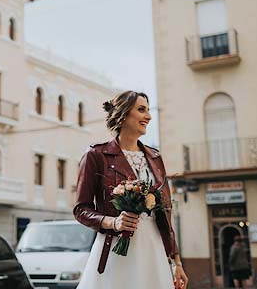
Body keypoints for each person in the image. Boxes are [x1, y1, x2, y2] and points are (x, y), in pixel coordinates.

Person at [73, 91, 187, 289]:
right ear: (124, 114)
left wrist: (176, 262)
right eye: (141, 110)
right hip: (115, 250)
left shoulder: (155, 158)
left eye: (148, 110)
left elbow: (165, 214)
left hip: (153, 248)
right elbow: (81, 209)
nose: (149, 116)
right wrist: (114, 222)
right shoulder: (96, 155)